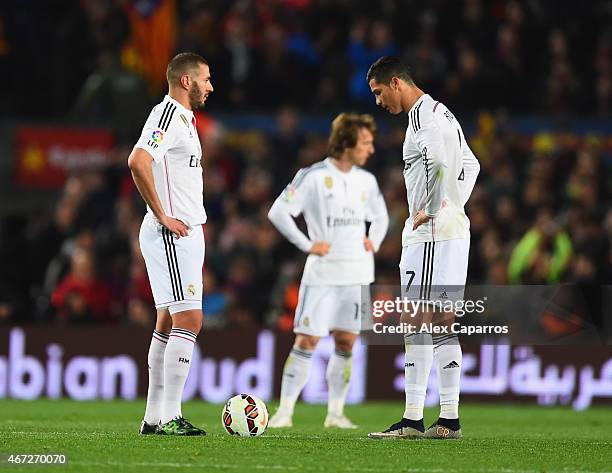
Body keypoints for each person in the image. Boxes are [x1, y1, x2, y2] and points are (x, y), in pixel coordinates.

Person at [366, 56, 480, 439]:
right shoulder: (444, 113)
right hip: (453, 230)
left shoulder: (421, 117)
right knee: (445, 324)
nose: (378, 101)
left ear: (396, 83)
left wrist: (431, 209)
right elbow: (472, 164)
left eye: (379, 92)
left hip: (431, 235)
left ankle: (413, 419)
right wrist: (454, 204)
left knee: (415, 322)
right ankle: (448, 420)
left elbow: (437, 164)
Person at [267, 113, 389, 429]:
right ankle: (285, 412)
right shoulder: (313, 176)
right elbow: (278, 212)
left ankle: (335, 413)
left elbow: (381, 217)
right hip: (322, 274)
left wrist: (372, 241)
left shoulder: (367, 181)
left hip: (358, 274)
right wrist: (307, 244)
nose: (370, 149)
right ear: (346, 142)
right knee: (306, 341)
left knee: (346, 342)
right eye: (365, 142)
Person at [128, 52, 213, 436]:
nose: (210, 86)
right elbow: (138, 160)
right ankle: (171, 415)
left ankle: (153, 417)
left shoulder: (185, 120)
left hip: (186, 232)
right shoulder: (168, 115)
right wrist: (162, 214)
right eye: (206, 79)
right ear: (185, 81)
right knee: (190, 319)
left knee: (167, 320)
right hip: (170, 234)